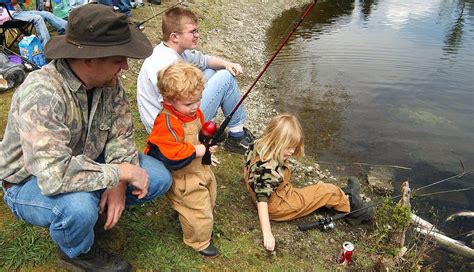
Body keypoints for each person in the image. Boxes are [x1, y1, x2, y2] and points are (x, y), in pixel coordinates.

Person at [0, 4, 172, 271]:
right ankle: (77, 251)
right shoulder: (43, 94)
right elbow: (54, 175)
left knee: (158, 177)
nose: (125, 66)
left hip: (84, 161)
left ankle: (94, 215)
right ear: (88, 59)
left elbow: (121, 134)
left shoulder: (108, 83)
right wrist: (119, 173)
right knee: (78, 207)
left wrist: (118, 183)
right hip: (28, 181)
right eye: (118, 59)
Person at [243, 113, 373, 252]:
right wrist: (267, 234)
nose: (292, 151)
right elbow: (262, 201)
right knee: (325, 191)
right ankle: (354, 210)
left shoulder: (258, 144)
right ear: (276, 140)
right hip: (277, 205)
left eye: (294, 147)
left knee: (318, 191)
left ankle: (338, 195)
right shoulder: (269, 169)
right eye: (288, 147)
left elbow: (248, 168)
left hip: (276, 195)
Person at [137, 6, 253, 155]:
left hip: (177, 112)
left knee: (213, 70)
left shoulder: (175, 51)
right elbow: (168, 107)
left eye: (197, 30)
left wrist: (226, 64)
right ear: (175, 37)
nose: (197, 35)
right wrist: (194, 139)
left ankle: (207, 128)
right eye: (192, 32)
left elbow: (205, 60)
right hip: (169, 127)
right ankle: (236, 136)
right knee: (225, 78)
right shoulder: (165, 63)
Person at [145, 62, 220, 257]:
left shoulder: (194, 113)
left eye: (198, 100)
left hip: (200, 169)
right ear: (169, 100)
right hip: (183, 177)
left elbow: (199, 136)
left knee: (210, 196)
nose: (195, 107)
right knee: (198, 209)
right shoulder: (167, 122)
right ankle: (198, 241)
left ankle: (191, 218)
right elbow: (171, 154)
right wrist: (198, 150)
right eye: (188, 104)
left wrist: (208, 147)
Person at [0, 0, 67, 46]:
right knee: (37, 18)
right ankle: (47, 48)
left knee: (46, 14)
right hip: (8, 16)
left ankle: (71, 29)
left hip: (16, 12)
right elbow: (13, 2)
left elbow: (16, 3)